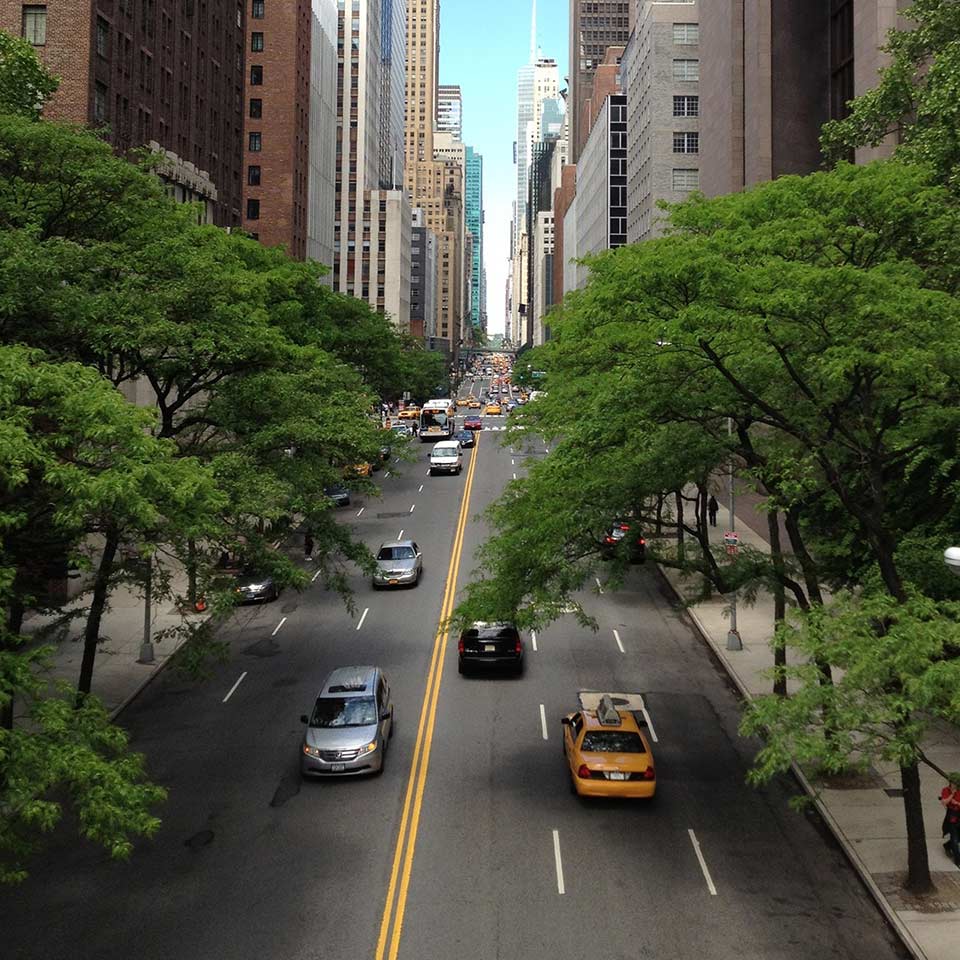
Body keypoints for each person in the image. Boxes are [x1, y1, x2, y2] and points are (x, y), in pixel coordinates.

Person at [941, 776, 960, 867]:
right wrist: (952, 794)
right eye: (953, 783)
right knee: (955, 838)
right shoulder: (946, 790)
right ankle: (958, 860)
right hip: (952, 817)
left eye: (956, 783)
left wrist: (956, 803)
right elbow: (944, 802)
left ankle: (947, 845)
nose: (954, 785)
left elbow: (954, 803)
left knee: (957, 838)